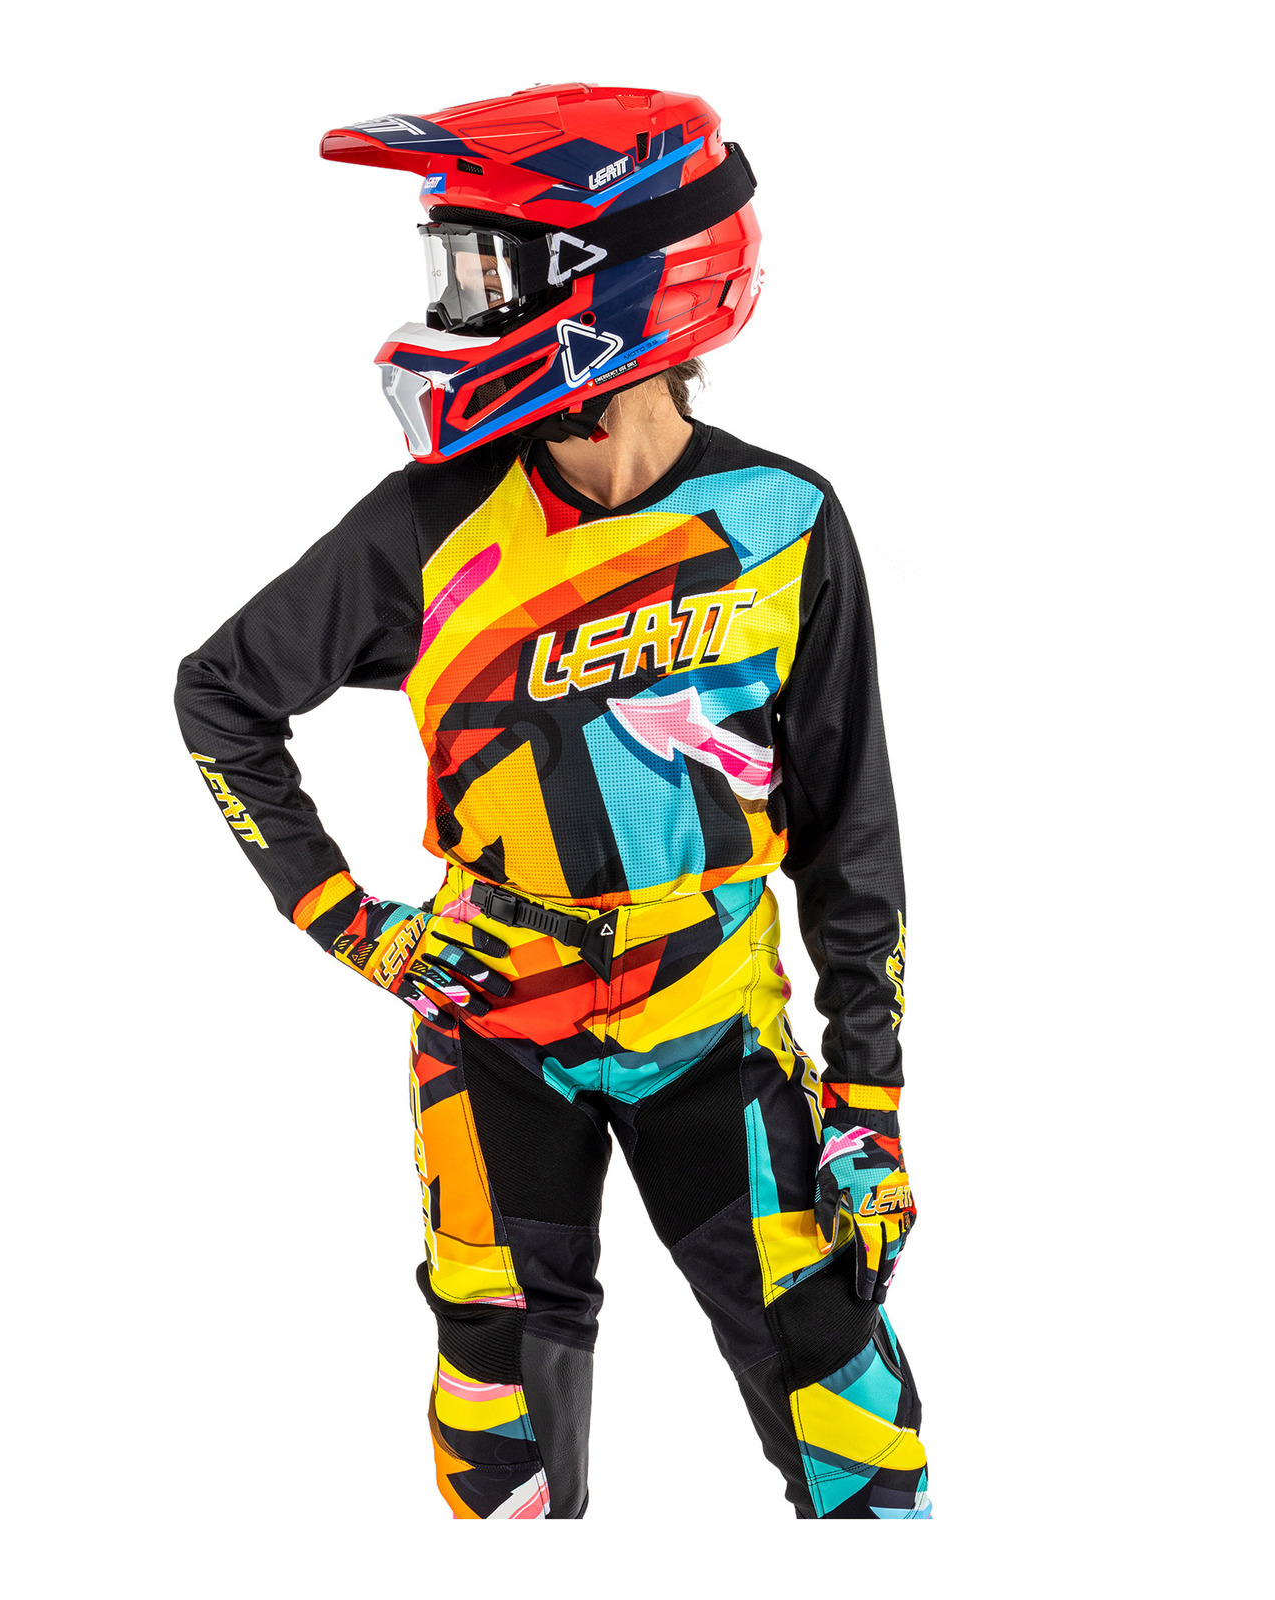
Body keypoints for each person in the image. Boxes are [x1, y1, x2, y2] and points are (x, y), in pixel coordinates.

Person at [175, 82, 929, 1520]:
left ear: (627, 291)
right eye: (450, 268)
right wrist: (349, 923)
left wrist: (871, 1103)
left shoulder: (786, 521)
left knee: (852, 1423)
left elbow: (852, 836)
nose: (455, 307)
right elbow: (220, 695)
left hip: (712, 1020)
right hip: (492, 1028)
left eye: (487, 271)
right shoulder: (429, 519)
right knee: (498, 1431)